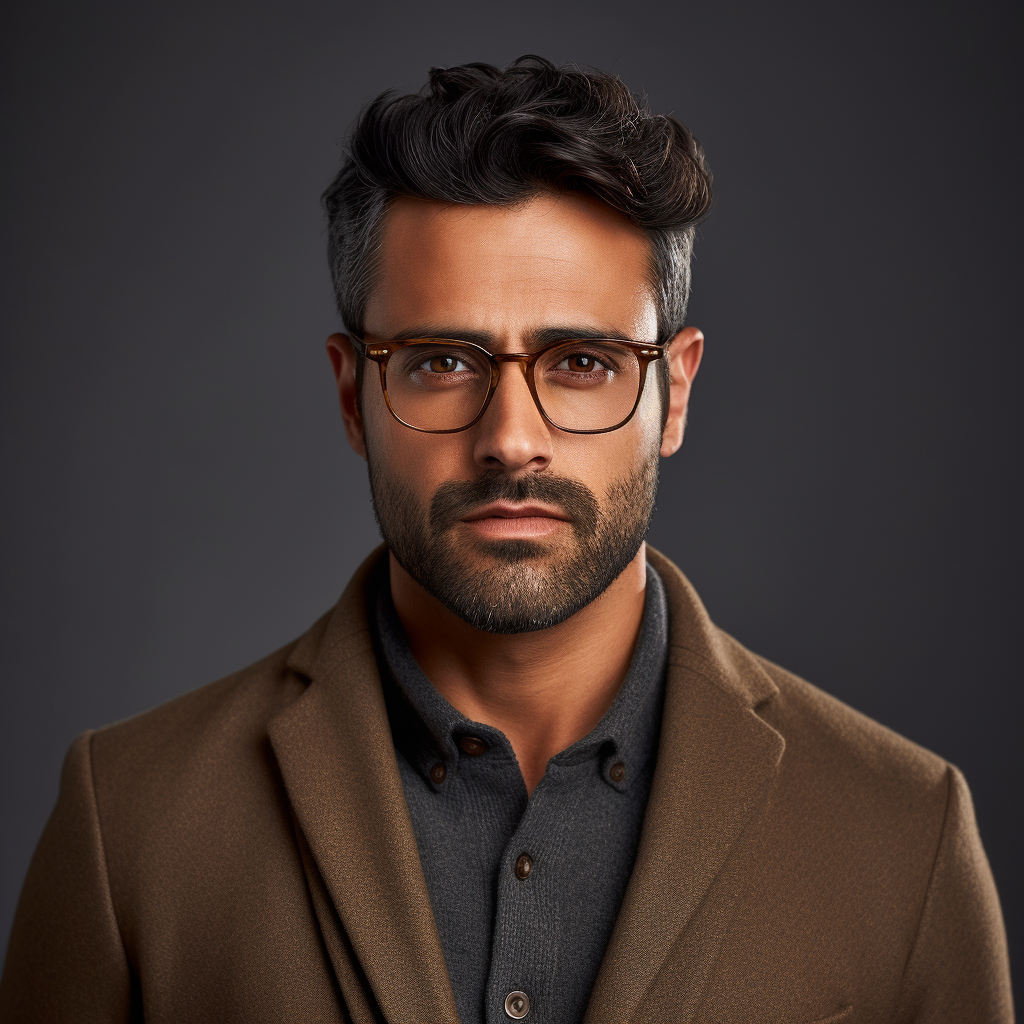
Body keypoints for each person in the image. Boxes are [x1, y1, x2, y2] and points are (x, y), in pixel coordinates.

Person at [0, 56, 1012, 1024]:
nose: (510, 440)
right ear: (355, 394)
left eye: (580, 360)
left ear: (675, 392)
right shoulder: (128, 822)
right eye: (443, 360)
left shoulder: (903, 831)